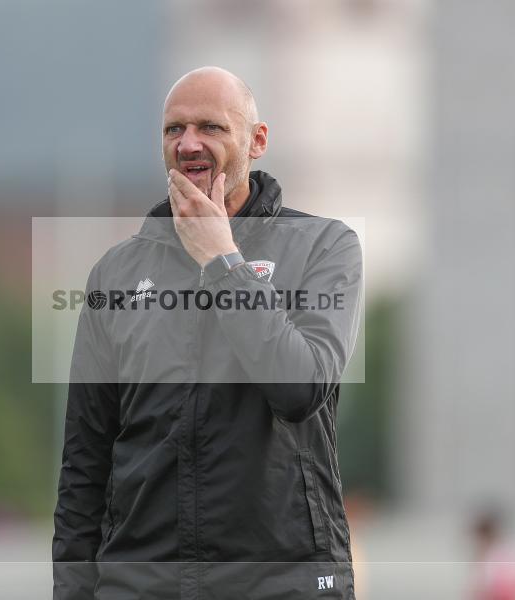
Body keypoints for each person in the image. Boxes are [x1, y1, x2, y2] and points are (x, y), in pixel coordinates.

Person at [52, 66, 363, 599]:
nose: (189, 143)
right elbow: (86, 459)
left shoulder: (325, 247)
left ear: (256, 140)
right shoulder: (116, 273)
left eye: (210, 127)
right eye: (174, 130)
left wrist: (221, 259)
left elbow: (300, 389)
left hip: (281, 582)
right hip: (142, 582)